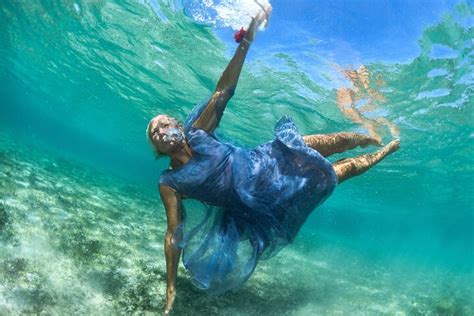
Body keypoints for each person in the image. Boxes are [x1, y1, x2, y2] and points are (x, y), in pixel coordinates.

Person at [147, 7, 399, 315]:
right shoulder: (170, 183)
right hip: (258, 204)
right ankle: (383, 153)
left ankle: (367, 136)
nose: (160, 129)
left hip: (267, 159)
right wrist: (170, 285)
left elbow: (223, 91)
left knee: (328, 143)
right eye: (154, 131)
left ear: (176, 124)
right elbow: (173, 232)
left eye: (163, 123)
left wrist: (246, 42)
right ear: (157, 146)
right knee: (335, 174)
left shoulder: (199, 131)